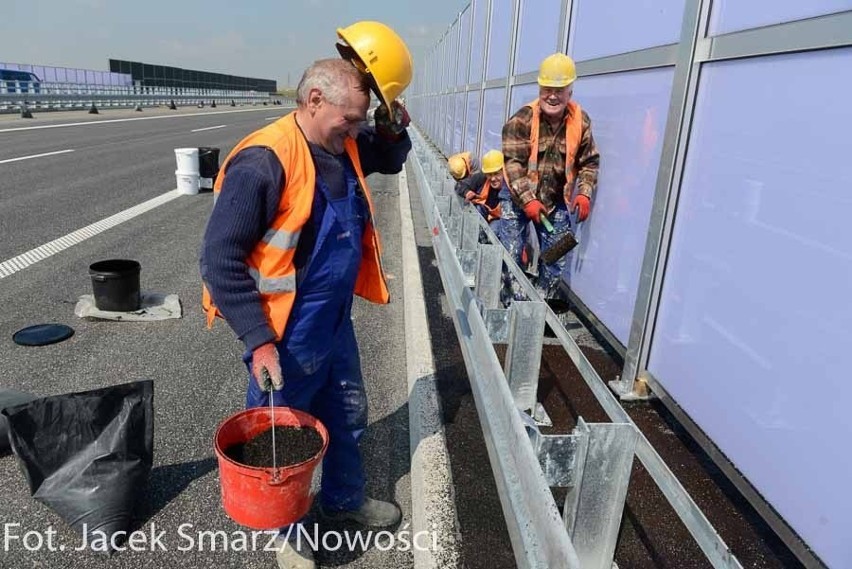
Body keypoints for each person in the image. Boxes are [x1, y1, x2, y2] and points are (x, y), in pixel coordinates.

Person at [200, 21, 412, 569]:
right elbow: (219, 261)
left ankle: (343, 501)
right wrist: (258, 341)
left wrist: (390, 129)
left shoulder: (341, 142)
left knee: (346, 415)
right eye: (351, 119)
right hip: (284, 333)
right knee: (283, 443)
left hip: (332, 322)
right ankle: (290, 534)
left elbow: (388, 158)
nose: (356, 128)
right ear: (315, 99)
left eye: (362, 120)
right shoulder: (265, 161)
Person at [501, 52, 600, 302]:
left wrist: (584, 192)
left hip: (555, 199)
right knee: (511, 252)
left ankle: (542, 307)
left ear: (570, 91)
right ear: (540, 88)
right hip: (518, 196)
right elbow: (513, 164)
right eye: (547, 89)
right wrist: (528, 201)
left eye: (560, 89)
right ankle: (512, 307)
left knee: (557, 254)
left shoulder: (581, 121)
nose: (552, 96)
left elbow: (589, 161)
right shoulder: (522, 119)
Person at [456, 149, 507, 230]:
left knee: (494, 229)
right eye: (489, 174)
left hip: (500, 222)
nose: (493, 178)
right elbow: (460, 185)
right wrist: (467, 192)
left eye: (496, 173)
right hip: (484, 215)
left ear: (504, 171)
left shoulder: (510, 188)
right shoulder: (481, 178)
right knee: (477, 210)